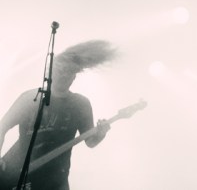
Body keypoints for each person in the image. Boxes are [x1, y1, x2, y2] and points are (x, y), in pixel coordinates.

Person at [0, 40, 117, 190]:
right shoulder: (31, 98)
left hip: (55, 180)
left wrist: (101, 134)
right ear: (51, 72)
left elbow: (90, 142)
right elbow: (2, 126)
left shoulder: (80, 104)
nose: (64, 75)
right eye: (60, 71)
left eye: (69, 72)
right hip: (15, 173)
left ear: (74, 76)